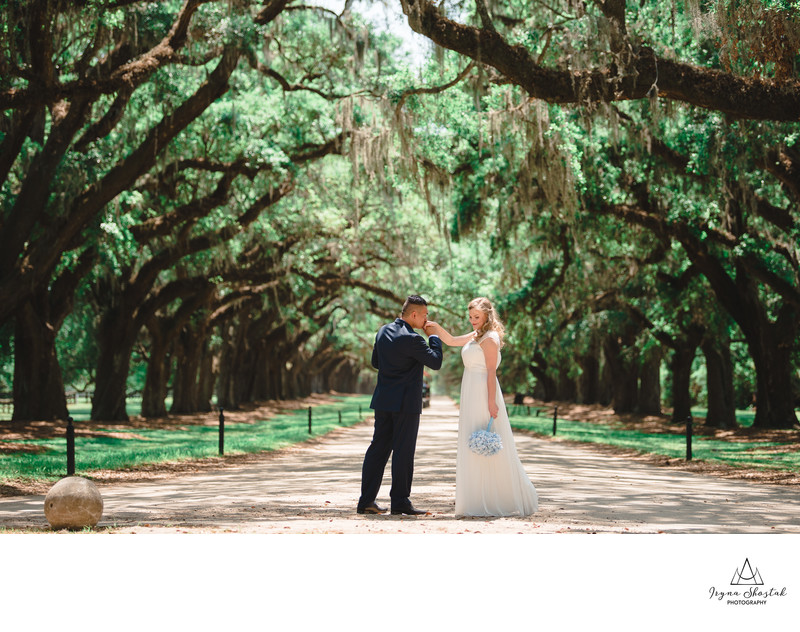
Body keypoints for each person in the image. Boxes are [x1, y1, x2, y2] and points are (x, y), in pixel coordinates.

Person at [424, 297, 538, 517]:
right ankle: (474, 499)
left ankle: (499, 498)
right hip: (470, 391)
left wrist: (491, 402)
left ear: (487, 315)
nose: (472, 321)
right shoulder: (476, 336)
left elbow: (491, 372)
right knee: (472, 442)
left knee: (488, 441)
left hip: (484, 393)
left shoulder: (490, 339)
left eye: (476, 317)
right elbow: (452, 340)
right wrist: (436, 328)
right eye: (470, 317)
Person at [357, 295, 443, 516]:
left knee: (377, 450)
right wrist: (433, 337)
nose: (426, 320)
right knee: (403, 452)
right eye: (425, 316)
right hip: (406, 404)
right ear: (414, 314)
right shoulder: (413, 339)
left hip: (383, 401)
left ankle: (366, 501)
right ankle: (400, 501)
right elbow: (435, 362)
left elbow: (376, 362)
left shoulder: (383, 331)